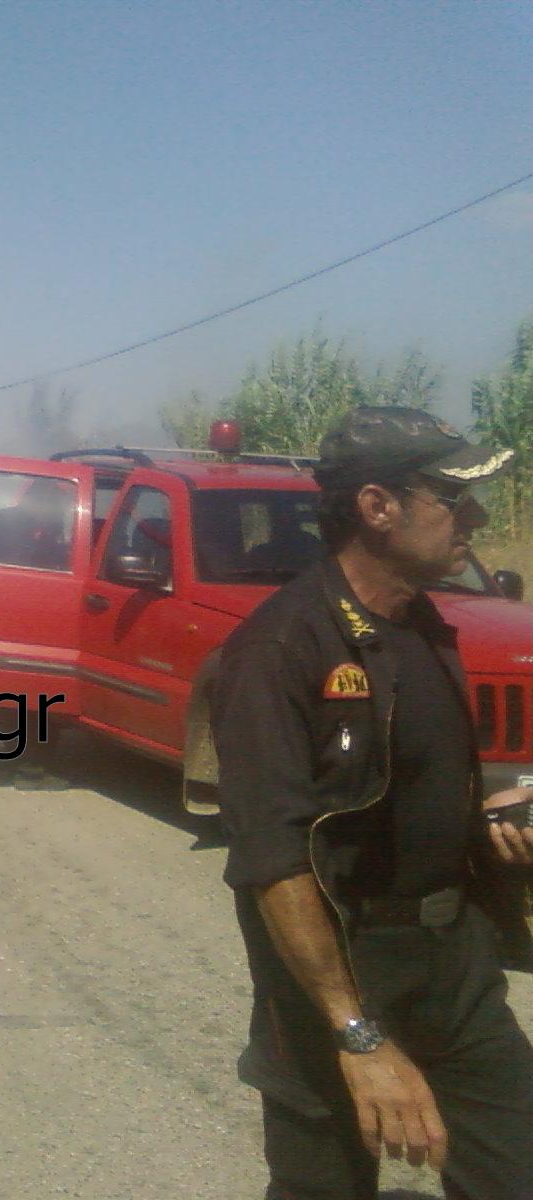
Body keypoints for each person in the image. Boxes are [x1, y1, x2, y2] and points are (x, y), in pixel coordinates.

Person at [209, 405, 533, 1200]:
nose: (476, 518)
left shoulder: (423, 625)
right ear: (377, 507)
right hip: (335, 977)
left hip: (451, 968)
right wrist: (355, 1035)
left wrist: (490, 814)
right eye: (452, 498)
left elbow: (404, 788)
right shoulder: (279, 649)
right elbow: (274, 862)